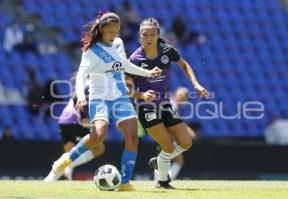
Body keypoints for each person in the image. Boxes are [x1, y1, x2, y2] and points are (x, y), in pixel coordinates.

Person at [43, 12, 161, 191]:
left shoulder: (118, 43)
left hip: (120, 96)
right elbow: (81, 76)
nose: (114, 35)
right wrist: (82, 96)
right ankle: (65, 160)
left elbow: (124, 65)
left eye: (116, 31)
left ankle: (124, 183)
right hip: (99, 98)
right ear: (101, 30)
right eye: (110, 32)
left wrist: (148, 73)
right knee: (99, 135)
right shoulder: (91, 50)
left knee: (132, 136)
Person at [125, 18, 208, 189]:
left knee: (186, 143)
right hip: (145, 107)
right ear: (140, 36)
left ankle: (160, 160)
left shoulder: (166, 50)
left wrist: (196, 84)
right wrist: (141, 95)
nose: (148, 38)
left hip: (164, 104)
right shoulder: (134, 59)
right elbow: (126, 89)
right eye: (144, 34)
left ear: (158, 35)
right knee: (168, 147)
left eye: (152, 34)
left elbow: (184, 65)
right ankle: (163, 182)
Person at [44, 91, 105, 181]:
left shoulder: (82, 88)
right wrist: (101, 125)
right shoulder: (89, 90)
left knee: (69, 153)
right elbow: (84, 121)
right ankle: (63, 164)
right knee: (99, 147)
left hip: (63, 121)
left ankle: (49, 180)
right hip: (74, 123)